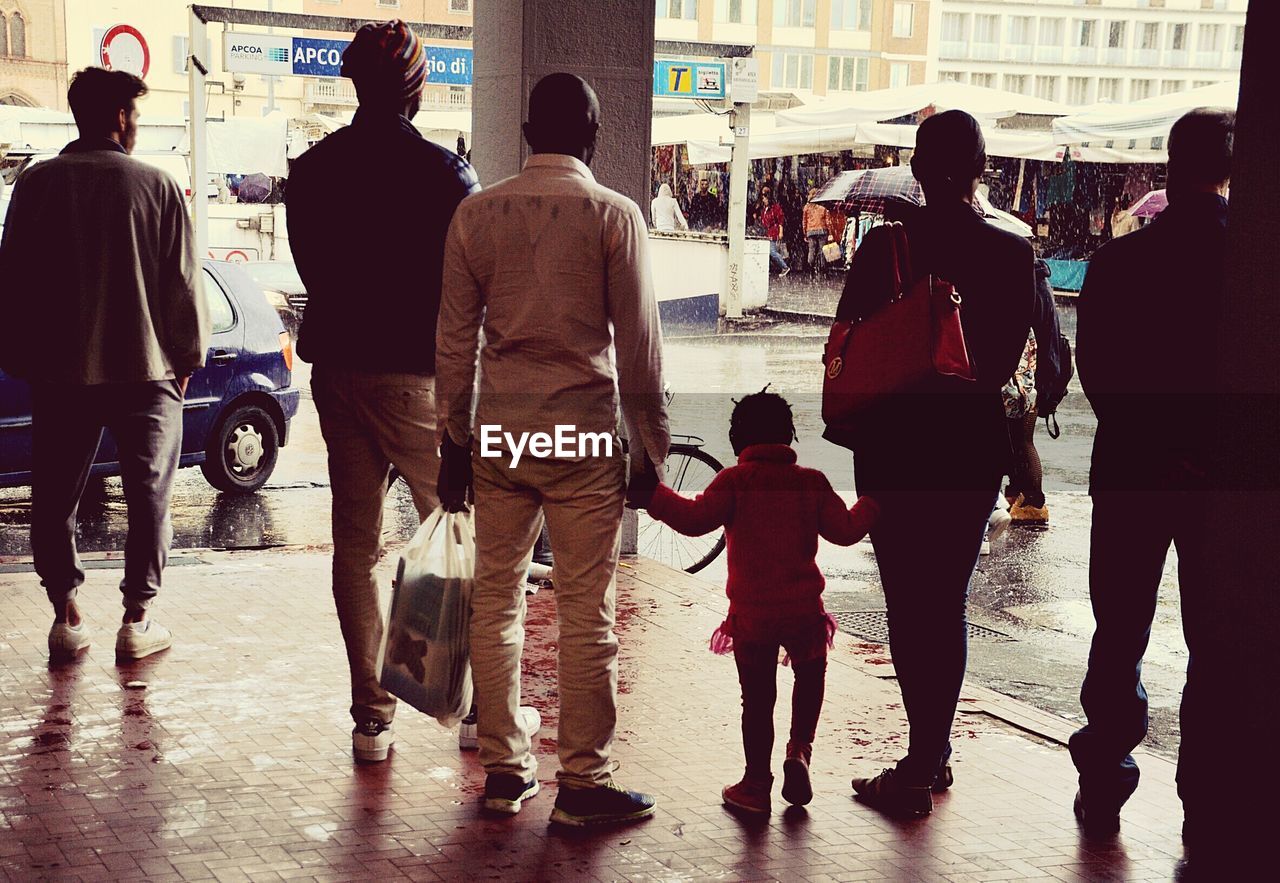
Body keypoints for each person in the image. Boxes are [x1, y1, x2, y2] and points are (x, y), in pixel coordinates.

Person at [435, 73, 669, 825]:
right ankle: (583, 781)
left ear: (530, 132)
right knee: (584, 607)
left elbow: (453, 340)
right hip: (583, 433)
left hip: (503, 429)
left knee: (496, 599)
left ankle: (504, 771)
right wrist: (650, 448)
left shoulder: (477, 214)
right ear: (593, 139)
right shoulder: (613, 216)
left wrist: (453, 437)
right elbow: (639, 348)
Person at [826, 110, 1054, 817]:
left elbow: (845, 347)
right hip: (971, 449)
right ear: (984, 167)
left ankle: (921, 762)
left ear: (919, 169)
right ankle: (935, 750)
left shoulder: (884, 249)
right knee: (946, 602)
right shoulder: (1017, 255)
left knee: (908, 603)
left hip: (893, 447)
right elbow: (1046, 366)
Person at [285, 20, 480, 764]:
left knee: (354, 545)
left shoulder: (312, 171)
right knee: (456, 536)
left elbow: (312, 273)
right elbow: (464, 293)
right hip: (416, 380)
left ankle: (372, 716)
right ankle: (465, 704)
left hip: (339, 373)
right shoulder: (447, 175)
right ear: (414, 86)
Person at [0, 68, 209, 663]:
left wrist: (24, 359)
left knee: (55, 495)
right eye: (135, 115)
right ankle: (137, 619)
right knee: (149, 495)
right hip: (146, 372)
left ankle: (67, 616)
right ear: (119, 117)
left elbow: (12, 283)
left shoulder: (36, 186)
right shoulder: (157, 187)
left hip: (63, 373)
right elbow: (183, 286)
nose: (136, 125)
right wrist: (186, 359)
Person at [1069, 108, 1233, 845]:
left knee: (1121, 629)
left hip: (1132, 469)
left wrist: (1153, 443)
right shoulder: (1252, 262)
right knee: (1216, 640)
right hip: (1218, 480)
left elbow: (1097, 368)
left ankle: (1104, 778)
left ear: (1169, 163)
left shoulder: (1120, 261)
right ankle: (1206, 795)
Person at [628, 391, 878, 815]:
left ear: (736, 438)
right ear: (789, 436)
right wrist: (874, 501)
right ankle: (799, 750)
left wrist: (654, 495)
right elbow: (846, 530)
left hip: (753, 615)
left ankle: (756, 784)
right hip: (805, 612)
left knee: (757, 701)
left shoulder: (735, 482)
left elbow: (692, 520)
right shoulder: (811, 481)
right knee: (810, 679)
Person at [802, 188, 833, 274]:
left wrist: (805, 233)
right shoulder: (823, 208)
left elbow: (804, 221)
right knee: (822, 250)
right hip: (822, 230)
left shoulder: (806, 207)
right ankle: (822, 268)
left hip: (810, 231)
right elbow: (828, 222)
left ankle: (810, 267)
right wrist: (830, 232)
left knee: (811, 250)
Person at [759, 192, 789, 277]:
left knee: (772, 251)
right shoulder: (765, 209)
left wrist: (780, 231)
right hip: (767, 232)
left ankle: (784, 266)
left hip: (773, 231)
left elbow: (780, 220)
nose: (763, 200)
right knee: (770, 251)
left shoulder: (775, 208)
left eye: (764, 198)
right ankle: (772, 267)